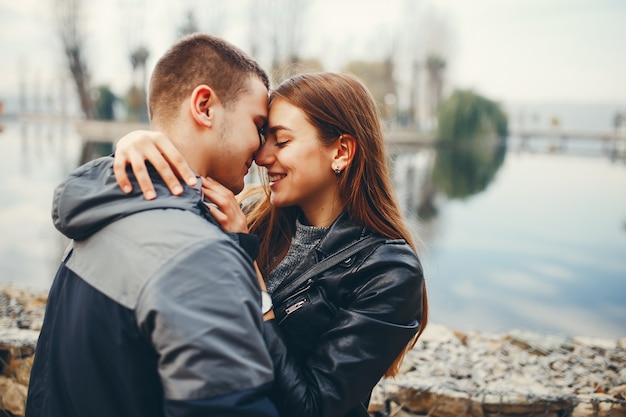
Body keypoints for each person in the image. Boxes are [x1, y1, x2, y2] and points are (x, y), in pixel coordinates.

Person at [111, 72, 429, 417]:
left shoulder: (388, 272)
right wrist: (138, 146)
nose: (261, 157)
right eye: (264, 139)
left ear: (340, 151)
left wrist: (247, 269)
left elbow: (310, 407)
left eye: (282, 141)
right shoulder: (249, 214)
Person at [25, 33, 279, 417]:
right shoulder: (200, 258)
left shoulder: (101, 212)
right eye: (258, 125)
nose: (261, 150)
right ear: (205, 106)